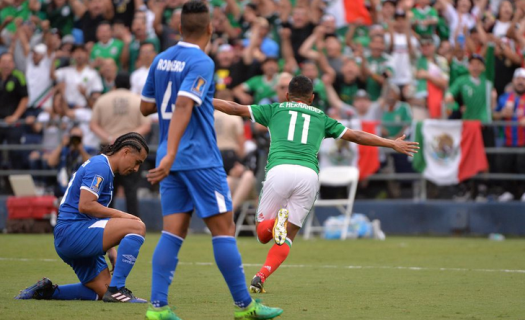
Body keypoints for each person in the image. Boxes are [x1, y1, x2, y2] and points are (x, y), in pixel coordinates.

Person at [139, 2, 283, 320]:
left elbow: (146, 107)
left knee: (173, 231)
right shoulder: (201, 61)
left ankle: (158, 307)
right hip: (198, 158)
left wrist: (169, 153)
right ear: (209, 28)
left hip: (168, 156)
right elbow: (182, 106)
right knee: (223, 229)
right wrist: (177, 149)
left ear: (178, 28)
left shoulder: (161, 60)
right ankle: (246, 307)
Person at [212, 75, 419, 294]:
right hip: (308, 175)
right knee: (288, 236)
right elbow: (356, 135)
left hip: (279, 170)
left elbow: (234, 107)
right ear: (311, 97)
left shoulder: (275, 109)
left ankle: (274, 225)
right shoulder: (321, 117)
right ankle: (261, 275)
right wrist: (391, 143)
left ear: (286, 95)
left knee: (263, 234)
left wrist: (203, 99)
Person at [15, 132, 150, 303]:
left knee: (101, 292)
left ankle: (47, 292)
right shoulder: (101, 166)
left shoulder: (104, 168)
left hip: (72, 234)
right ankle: (117, 289)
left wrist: (111, 250)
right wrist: (124, 216)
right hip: (73, 233)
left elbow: (94, 214)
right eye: (137, 162)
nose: (136, 168)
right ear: (125, 151)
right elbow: (86, 205)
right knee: (137, 226)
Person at [90, 74, 151, 217]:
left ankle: (104, 224)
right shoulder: (137, 100)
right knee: (131, 192)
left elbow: (93, 125)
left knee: (105, 192)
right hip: (132, 151)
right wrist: (127, 139)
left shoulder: (102, 99)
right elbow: (146, 126)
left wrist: (112, 138)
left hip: (108, 149)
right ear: (130, 85)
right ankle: (134, 225)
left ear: (114, 85)